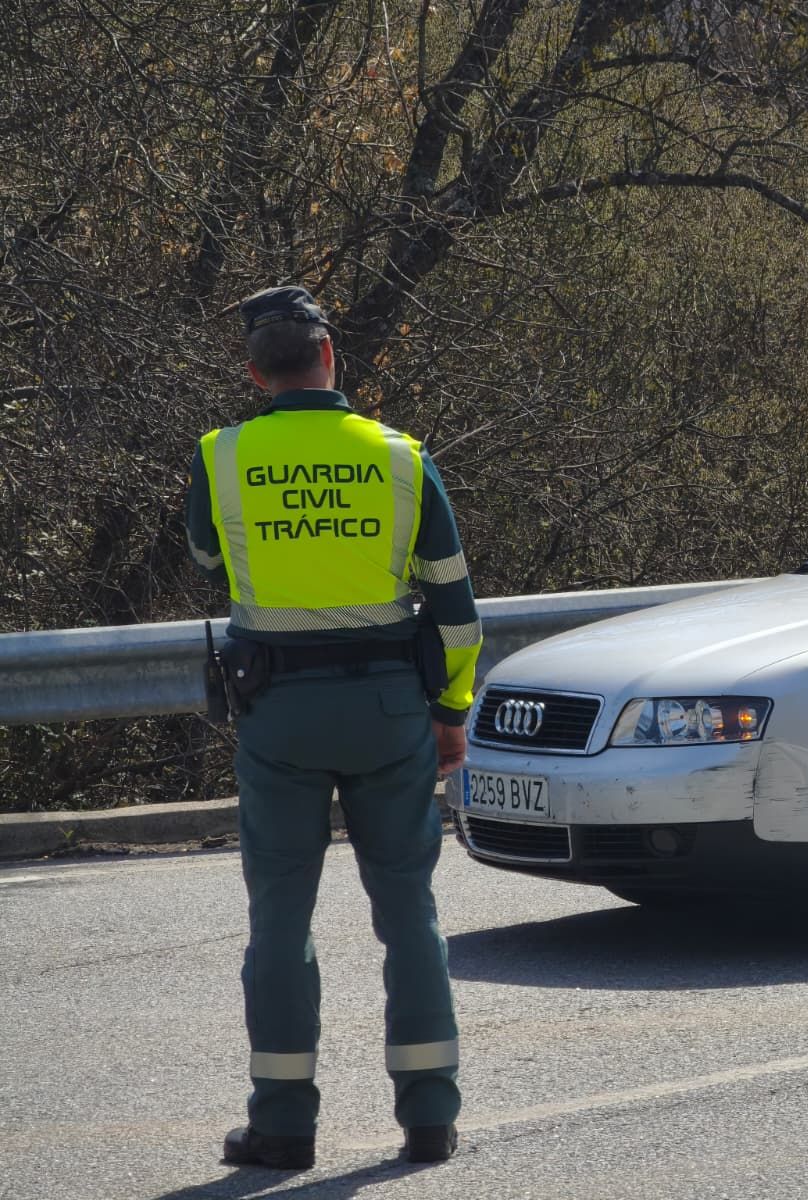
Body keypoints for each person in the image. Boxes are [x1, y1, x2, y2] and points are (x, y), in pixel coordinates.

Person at [186, 285, 482, 1166]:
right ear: (330, 355)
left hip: (276, 712)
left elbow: (208, 559)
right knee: (409, 912)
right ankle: (428, 1117)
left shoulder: (222, 454)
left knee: (280, 919)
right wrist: (452, 712)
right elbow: (459, 614)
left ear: (253, 369)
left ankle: (282, 1125)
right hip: (392, 710)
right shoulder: (399, 457)